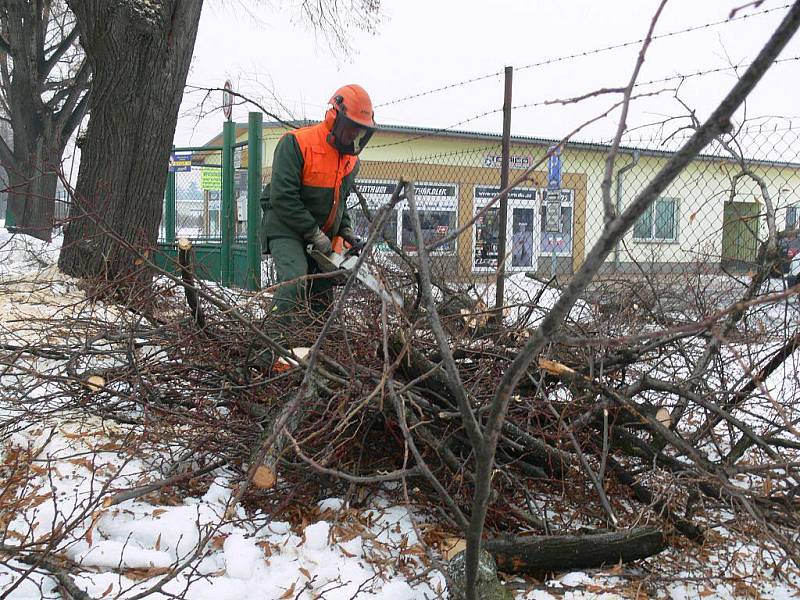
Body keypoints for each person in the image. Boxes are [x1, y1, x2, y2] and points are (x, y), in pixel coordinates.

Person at [261, 84, 376, 319]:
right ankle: (269, 347)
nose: (354, 135)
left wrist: (346, 231)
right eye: (351, 128)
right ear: (335, 118)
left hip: (321, 235)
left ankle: (313, 351)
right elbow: (283, 198)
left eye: (359, 130)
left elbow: (340, 202)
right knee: (295, 281)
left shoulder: (351, 162)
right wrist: (314, 234)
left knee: (321, 296)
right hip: (286, 227)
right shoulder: (297, 143)